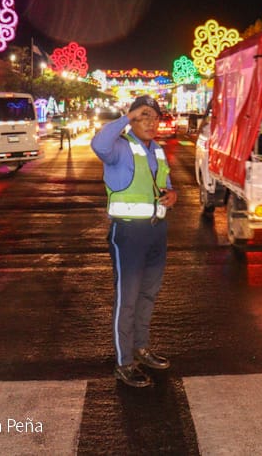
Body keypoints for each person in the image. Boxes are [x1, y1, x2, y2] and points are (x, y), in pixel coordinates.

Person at [91, 95, 178, 388]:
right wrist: (127, 116)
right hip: (128, 235)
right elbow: (98, 144)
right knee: (127, 301)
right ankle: (124, 362)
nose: (152, 122)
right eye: (145, 116)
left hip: (156, 232)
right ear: (133, 118)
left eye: (155, 117)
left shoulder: (158, 151)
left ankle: (141, 348)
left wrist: (172, 194)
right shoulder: (118, 148)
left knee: (148, 295)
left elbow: (166, 184)